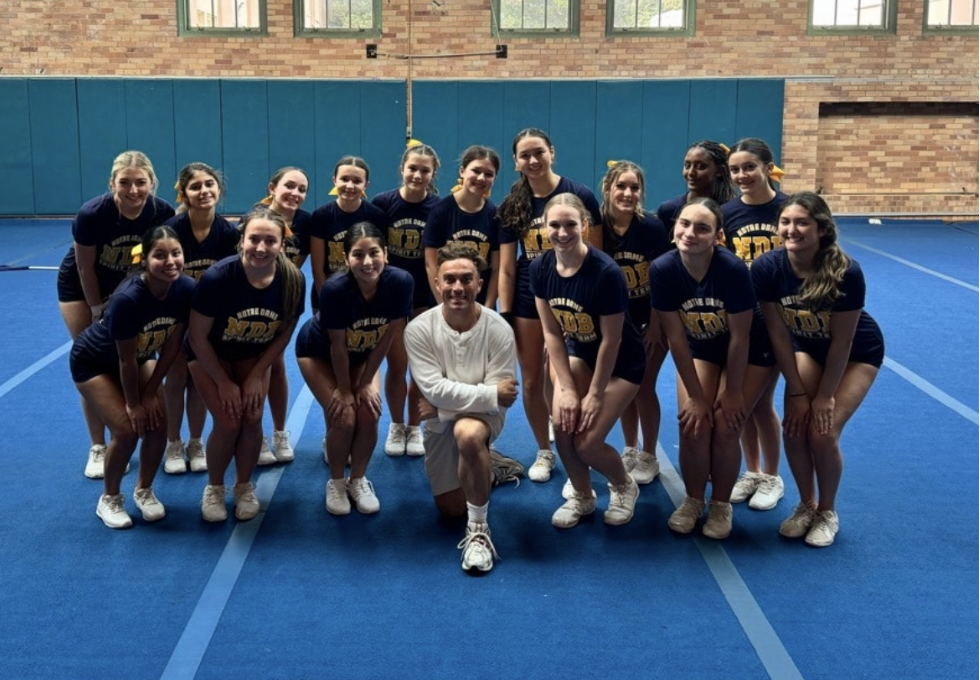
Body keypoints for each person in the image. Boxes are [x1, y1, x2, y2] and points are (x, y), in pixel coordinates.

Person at [753, 192, 883, 547]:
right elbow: (779, 333)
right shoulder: (767, 267)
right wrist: (795, 391)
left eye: (802, 223)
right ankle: (806, 505)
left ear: (821, 229)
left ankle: (827, 511)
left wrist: (825, 395)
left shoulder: (845, 272)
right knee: (795, 428)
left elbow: (842, 342)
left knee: (823, 433)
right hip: (805, 347)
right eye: (785, 222)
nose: (791, 229)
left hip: (857, 353)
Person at [651, 198, 776, 539]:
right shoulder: (662, 269)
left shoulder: (732, 269)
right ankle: (694, 500)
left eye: (702, 228)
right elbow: (676, 339)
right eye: (685, 224)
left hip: (752, 349)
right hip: (701, 346)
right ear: (674, 227)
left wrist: (733, 392)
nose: (690, 233)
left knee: (725, 425)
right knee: (693, 423)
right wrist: (696, 396)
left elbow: (740, 338)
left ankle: (720, 504)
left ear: (718, 236)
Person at [404, 241, 523, 573]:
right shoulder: (418, 330)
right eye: (450, 279)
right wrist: (486, 394)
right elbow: (434, 389)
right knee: (449, 509)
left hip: (482, 419)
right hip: (446, 420)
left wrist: (443, 409)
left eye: (466, 279)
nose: (458, 287)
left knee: (468, 434)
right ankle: (489, 467)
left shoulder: (499, 329)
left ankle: (478, 531)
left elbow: (503, 398)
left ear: (480, 283)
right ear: (437, 283)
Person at [57, 150, 175, 478]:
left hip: (130, 287)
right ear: (112, 184)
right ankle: (97, 445)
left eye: (141, 182)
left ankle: (119, 435)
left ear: (152, 183)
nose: (133, 190)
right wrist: (97, 309)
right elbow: (84, 266)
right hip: (83, 287)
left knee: (129, 355)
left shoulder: (161, 211)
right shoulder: (92, 213)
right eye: (125, 182)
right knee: (94, 355)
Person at [70, 226, 195, 528]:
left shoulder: (186, 289)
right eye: (160, 255)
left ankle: (144, 490)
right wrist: (134, 403)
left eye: (176, 254)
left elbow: (172, 347)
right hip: (95, 362)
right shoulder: (128, 299)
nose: (170, 262)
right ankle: (109, 498)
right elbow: (125, 361)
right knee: (126, 430)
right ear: (144, 260)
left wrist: (151, 393)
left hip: (141, 358)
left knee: (159, 421)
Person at [529, 193, 642, 529]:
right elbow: (551, 332)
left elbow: (612, 339)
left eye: (570, 225)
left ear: (585, 227)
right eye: (554, 225)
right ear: (544, 227)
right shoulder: (540, 267)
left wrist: (593, 394)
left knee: (588, 442)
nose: (562, 232)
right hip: (580, 353)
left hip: (621, 363)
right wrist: (564, 388)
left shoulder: (605, 272)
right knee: (564, 425)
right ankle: (583, 494)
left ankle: (624, 484)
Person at [497, 128, 602, 484]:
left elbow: (598, 253)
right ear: (516, 162)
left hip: (574, 296)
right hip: (531, 294)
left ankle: (572, 438)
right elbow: (508, 267)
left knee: (566, 374)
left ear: (552, 153)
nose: (532, 160)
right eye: (524, 155)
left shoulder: (579, 194)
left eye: (538, 152)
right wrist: (506, 312)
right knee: (530, 378)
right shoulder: (513, 205)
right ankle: (544, 449)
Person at [187, 207, 306, 522]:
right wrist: (224, 383)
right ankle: (214, 488)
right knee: (228, 421)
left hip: (253, 353)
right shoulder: (219, 277)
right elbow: (197, 338)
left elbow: (283, 335)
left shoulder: (292, 279)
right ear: (242, 240)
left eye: (271, 240)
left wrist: (256, 375)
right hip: (210, 353)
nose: (262, 248)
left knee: (252, 417)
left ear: (282, 244)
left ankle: (243, 486)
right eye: (254, 239)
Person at [296, 222, 413, 515]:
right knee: (344, 417)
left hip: (364, 353)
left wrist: (363, 384)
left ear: (386, 253)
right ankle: (336, 482)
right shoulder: (336, 289)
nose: (367, 262)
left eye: (374, 253)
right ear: (346, 258)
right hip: (318, 353)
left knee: (369, 412)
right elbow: (337, 347)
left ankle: (358, 479)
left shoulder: (401, 282)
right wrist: (346, 389)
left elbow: (387, 336)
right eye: (358, 255)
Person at [722, 137, 789, 512]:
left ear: (767, 167)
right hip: (740, 317)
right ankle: (752, 470)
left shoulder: (787, 208)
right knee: (749, 403)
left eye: (749, 167)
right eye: (735, 169)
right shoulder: (728, 212)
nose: (742, 175)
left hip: (776, 316)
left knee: (757, 401)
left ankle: (772, 475)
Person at [162, 162, 240, 475]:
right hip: (174, 317)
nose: (204, 191)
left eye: (209, 184)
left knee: (198, 381)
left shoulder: (227, 233)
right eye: (195, 187)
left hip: (208, 322)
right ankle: (173, 442)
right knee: (176, 378)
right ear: (184, 193)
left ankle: (196, 441)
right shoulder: (171, 231)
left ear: (219, 190)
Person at [599, 160, 670, 486]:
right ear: (608, 189)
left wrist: (656, 325)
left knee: (643, 387)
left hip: (647, 320)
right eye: (621, 186)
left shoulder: (652, 228)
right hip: (615, 323)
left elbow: (659, 281)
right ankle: (630, 447)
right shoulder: (597, 227)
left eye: (634, 187)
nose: (628, 193)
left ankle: (650, 454)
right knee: (624, 386)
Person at [372, 142, 441, 457]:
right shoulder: (383, 204)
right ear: (402, 169)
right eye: (412, 168)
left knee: (421, 368)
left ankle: (415, 426)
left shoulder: (438, 208)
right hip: (391, 298)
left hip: (424, 298)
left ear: (433, 174)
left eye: (424, 170)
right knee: (396, 365)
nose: (417, 174)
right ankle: (396, 424)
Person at [254, 166, 314, 467]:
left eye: (302, 189)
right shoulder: (256, 218)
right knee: (260, 368)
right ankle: (258, 434)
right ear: (272, 188)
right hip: (254, 303)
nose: (295, 193)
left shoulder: (305, 222)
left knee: (276, 367)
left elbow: (298, 264)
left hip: (284, 302)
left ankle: (279, 433)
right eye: (289, 186)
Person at [422, 145, 501, 308]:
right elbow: (431, 264)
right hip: (446, 300)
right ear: (462, 171)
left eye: (488, 174)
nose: (481, 178)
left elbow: (496, 269)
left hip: (479, 304)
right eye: (476, 171)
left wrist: (488, 307)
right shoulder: (440, 212)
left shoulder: (495, 215)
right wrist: (442, 305)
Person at [309, 156, 388, 304]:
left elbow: (381, 262)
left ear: (366, 185)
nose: (350, 186)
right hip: (329, 289)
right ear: (334, 180)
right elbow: (318, 270)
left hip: (365, 291)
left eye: (357, 181)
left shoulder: (376, 215)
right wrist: (326, 300)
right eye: (344, 179)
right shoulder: (321, 216)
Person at [656, 140, 736, 235]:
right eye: (687, 165)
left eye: (700, 167)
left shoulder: (732, 210)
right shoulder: (668, 210)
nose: (691, 173)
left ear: (720, 171)